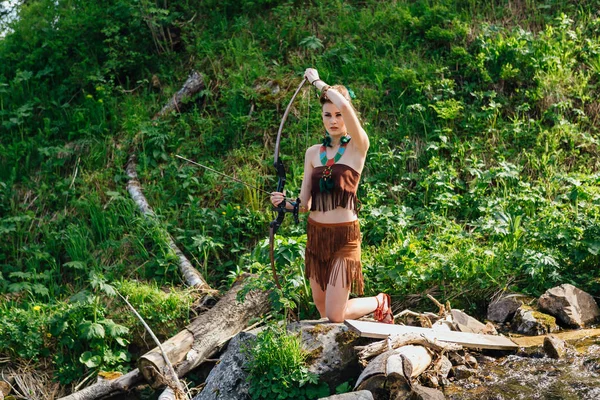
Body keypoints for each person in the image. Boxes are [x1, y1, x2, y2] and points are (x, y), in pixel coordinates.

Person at [270, 68, 393, 324]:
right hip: (316, 236)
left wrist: (316, 82)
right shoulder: (313, 153)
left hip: (344, 237)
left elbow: (345, 105)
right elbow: (305, 204)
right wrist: (285, 204)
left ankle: (378, 301)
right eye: (328, 115)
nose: (333, 120)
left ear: (346, 115)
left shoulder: (358, 146)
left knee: (336, 315)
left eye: (338, 115)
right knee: (324, 311)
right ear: (322, 117)